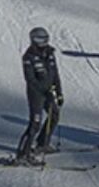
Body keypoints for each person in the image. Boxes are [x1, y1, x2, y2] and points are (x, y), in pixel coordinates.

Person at [12, 26, 63, 165]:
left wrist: (59, 92)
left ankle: (42, 144)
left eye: (46, 38)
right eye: (41, 39)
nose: (44, 41)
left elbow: (55, 74)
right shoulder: (28, 57)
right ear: (34, 40)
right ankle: (22, 154)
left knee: (54, 115)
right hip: (36, 94)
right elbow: (30, 79)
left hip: (48, 92)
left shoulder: (50, 54)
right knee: (35, 123)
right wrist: (44, 88)